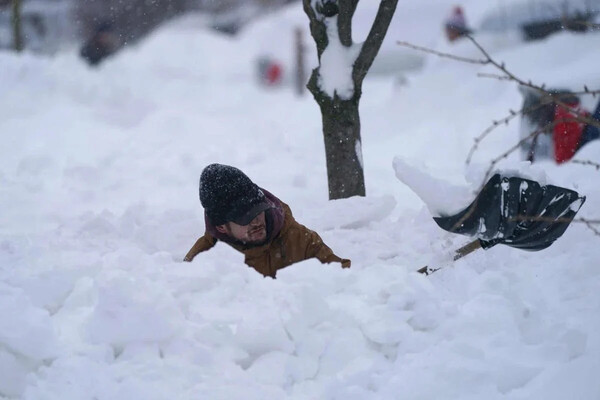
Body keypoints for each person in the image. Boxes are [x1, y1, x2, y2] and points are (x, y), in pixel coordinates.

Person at [184, 164, 351, 278]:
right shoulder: (202, 261)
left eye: (258, 211)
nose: (256, 221)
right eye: (245, 218)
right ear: (221, 227)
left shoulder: (299, 240)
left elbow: (346, 279)